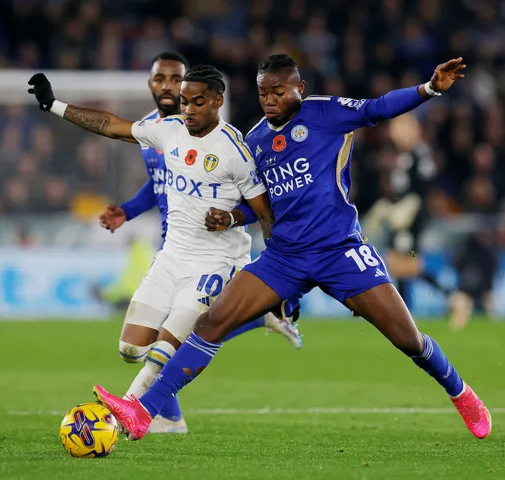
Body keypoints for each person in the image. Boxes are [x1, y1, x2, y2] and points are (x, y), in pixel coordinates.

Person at [91, 53, 493, 442]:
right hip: (284, 257)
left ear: (299, 87)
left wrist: (429, 88)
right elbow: (257, 205)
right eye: (263, 93)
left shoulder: (325, 113)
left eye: (279, 92)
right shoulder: (255, 141)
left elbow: (379, 107)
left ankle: (461, 393)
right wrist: (231, 218)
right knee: (211, 323)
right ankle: (142, 413)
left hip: (339, 250)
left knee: (407, 339)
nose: (269, 100)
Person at [28, 62, 301, 435]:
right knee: (131, 350)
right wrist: (54, 105)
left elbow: (264, 212)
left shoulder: (235, 150)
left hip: (215, 263)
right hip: (171, 257)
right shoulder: (170, 130)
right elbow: (111, 125)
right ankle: (251, 323)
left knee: (165, 348)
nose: (188, 109)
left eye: (197, 102)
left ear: (218, 102)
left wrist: (236, 225)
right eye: (185, 101)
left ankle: (117, 419)